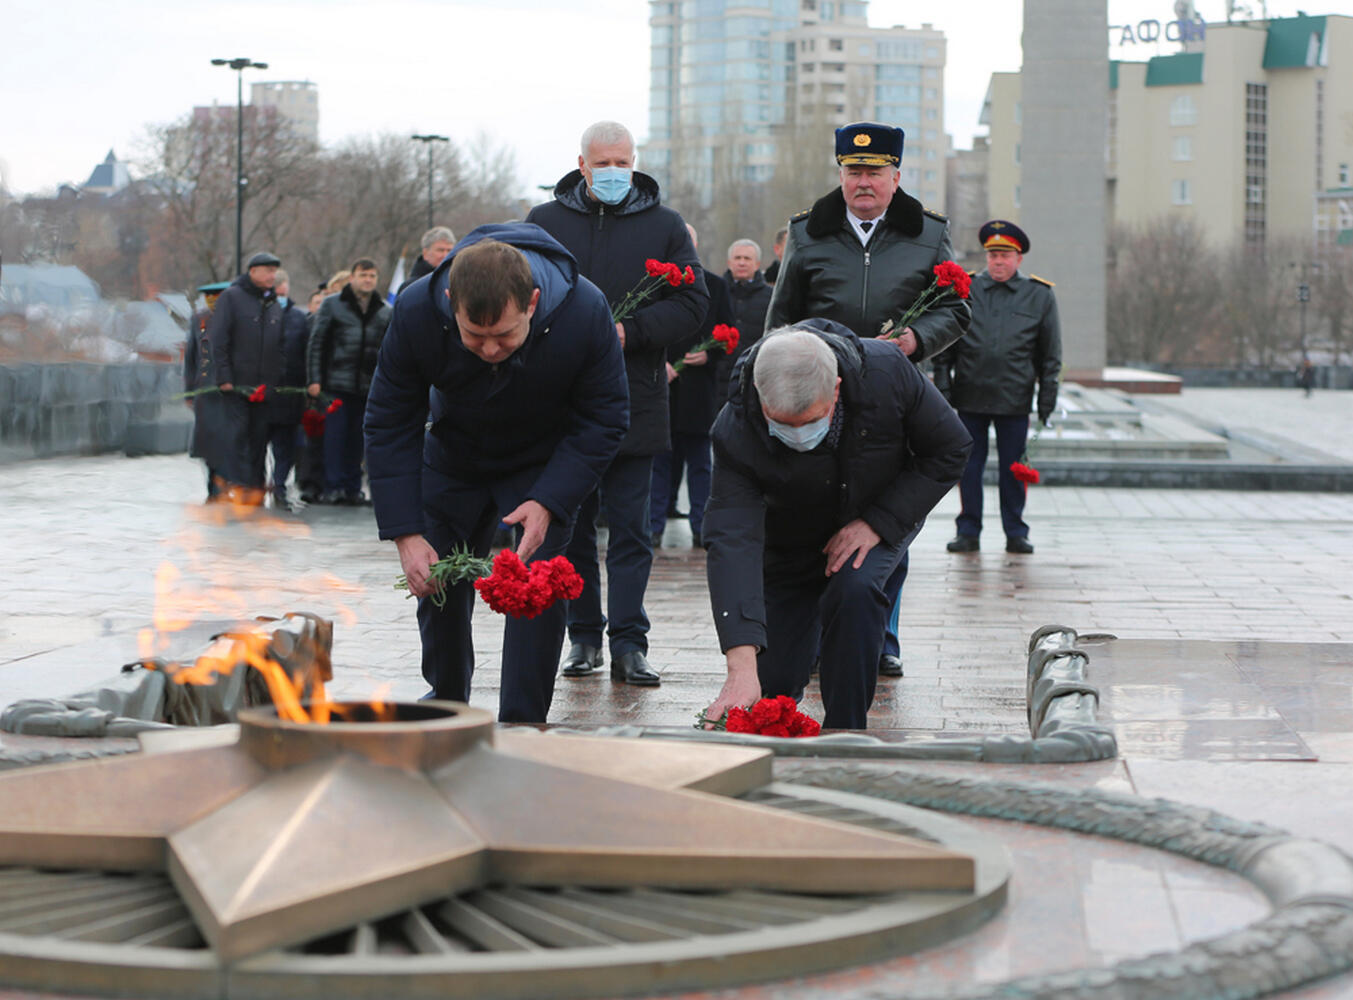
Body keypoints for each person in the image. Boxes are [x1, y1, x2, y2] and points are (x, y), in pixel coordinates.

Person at [363, 225, 628, 722]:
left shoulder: (585, 310)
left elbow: (606, 417)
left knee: (535, 586)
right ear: (449, 301)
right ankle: (445, 704)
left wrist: (550, 500)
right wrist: (405, 531)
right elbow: (389, 420)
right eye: (474, 336)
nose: (488, 350)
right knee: (436, 579)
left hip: (541, 464)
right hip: (452, 454)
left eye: (504, 335)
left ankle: (523, 719)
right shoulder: (419, 310)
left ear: (531, 302)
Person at [765, 121, 971, 679]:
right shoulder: (808, 233)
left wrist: (914, 340)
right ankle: (812, 633)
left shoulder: (928, 235)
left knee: (886, 519)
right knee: (813, 515)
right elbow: (780, 317)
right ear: (840, 174)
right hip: (818, 395)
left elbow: (955, 311)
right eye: (853, 171)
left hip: (892, 397)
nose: (863, 182)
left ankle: (881, 636)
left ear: (895, 177)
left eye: (874, 172)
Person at [700, 323, 971, 730]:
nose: (796, 436)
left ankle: (845, 731)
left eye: (808, 422)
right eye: (782, 424)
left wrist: (880, 521)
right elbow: (731, 537)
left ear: (837, 391)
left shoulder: (887, 374)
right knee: (769, 688)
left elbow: (949, 448)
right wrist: (739, 665)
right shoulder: (737, 424)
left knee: (855, 588)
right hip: (787, 537)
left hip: (871, 516)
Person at [525, 120, 708, 687]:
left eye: (622, 163)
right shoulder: (544, 224)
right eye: (601, 163)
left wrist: (633, 330)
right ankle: (583, 637)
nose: (612, 173)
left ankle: (629, 641)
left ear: (636, 162)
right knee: (572, 527)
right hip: (561, 402)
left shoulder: (665, 225)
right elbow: (520, 292)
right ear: (581, 164)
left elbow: (693, 302)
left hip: (636, 397)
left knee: (631, 528)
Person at [934, 221, 1061, 556]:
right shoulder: (966, 290)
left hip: (1014, 399)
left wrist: (1046, 401)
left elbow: (1050, 356)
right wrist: (944, 390)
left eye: (1005, 255)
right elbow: (945, 349)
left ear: (1019, 258)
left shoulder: (1039, 296)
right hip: (970, 396)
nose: (998, 262)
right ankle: (968, 531)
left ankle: (1016, 532)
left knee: (1012, 470)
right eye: (993, 255)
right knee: (969, 468)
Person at [650, 225, 735, 549]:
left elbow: (729, 335)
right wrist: (661, 365)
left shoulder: (715, 286)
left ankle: (702, 527)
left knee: (701, 465)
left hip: (699, 392)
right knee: (659, 465)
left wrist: (709, 354)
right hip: (664, 390)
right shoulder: (656, 287)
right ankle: (654, 526)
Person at [306, 258, 393, 505]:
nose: (368, 280)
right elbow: (317, 343)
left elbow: (388, 351)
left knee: (358, 439)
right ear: (353, 277)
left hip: (367, 386)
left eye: (372, 276)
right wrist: (315, 379)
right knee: (335, 437)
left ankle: (353, 487)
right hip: (336, 383)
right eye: (363, 275)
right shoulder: (333, 305)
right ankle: (333, 486)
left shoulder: (384, 310)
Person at [208, 251, 285, 504]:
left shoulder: (273, 303)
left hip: (264, 388)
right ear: (252, 272)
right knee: (237, 437)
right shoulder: (232, 297)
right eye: (267, 270)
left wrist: (276, 380)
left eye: (274, 271)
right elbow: (218, 339)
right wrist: (224, 377)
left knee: (260, 439)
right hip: (237, 385)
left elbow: (280, 345)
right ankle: (237, 486)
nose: (272, 276)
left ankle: (255, 488)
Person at [261, 269, 310, 510]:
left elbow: (306, 353)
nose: (280, 290)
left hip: (290, 395)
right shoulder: (256, 315)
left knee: (285, 448)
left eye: (282, 285)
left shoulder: (299, 319)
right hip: (261, 395)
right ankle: (257, 487)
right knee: (259, 446)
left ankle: (279, 486)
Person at [184, 280, 229, 501]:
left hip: (229, 390)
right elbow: (191, 356)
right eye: (210, 297)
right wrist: (188, 390)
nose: (213, 301)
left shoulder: (234, 318)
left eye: (218, 297)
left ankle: (226, 483)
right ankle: (213, 484)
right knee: (208, 442)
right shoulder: (198, 320)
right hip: (205, 390)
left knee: (228, 440)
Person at [721, 237, 773, 404]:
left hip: (756, 375)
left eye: (747, 258)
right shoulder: (715, 292)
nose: (742, 263)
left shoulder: (771, 297)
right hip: (719, 377)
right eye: (737, 258)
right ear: (729, 262)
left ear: (757, 264)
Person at [400, 226, 456, 293]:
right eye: (440, 250)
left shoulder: (457, 282)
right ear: (425, 253)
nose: (446, 255)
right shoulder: (410, 287)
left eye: (449, 250)